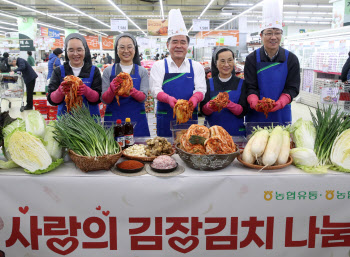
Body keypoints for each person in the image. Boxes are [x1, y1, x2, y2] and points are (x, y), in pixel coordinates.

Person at [150, 9, 206, 137]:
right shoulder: (159, 66)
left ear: (188, 46)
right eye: (175, 41)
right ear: (167, 44)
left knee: (191, 148)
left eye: (183, 42)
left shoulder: (196, 67)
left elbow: (201, 89)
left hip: (189, 118)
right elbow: (155, 90)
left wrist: (195, 99)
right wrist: (168, 98)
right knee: (165, 151)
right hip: (165, 118)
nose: (179, 46)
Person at [244, 27, 300, 124]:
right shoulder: (251, 59)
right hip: (256, 114)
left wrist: (281, 102)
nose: (273, 37)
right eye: (269, 33)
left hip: (281, 114)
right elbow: (250, 86)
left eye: (277, 33)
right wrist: (253, 100)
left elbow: (292, 87)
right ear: (261, 36)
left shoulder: (291, 59)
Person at [102, 33, 150, 137]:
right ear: (117, 50)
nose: (126, 51)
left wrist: (130, 90)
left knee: (137, 151)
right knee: (114, 151)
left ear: (135, 49)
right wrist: (112, 89)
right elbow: (105, 100)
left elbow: (143, 98)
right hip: (114, 119)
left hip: (137, 119)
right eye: (122, 47)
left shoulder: (142, 71)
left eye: (129, 47)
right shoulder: (108, 71)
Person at [47, 33, 102, 117]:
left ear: (85, 50)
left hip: (90, 123)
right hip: (65, 122)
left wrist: (86, 91)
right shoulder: (59, 71)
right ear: (67, 51)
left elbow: (98, 98)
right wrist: (60, 91)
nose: (75, 54)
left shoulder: (94, 70)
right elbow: (52, 100)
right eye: (71, 50)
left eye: (79, 50)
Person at [200, 47, 248, 136]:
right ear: (215, 63)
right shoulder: (208, 83)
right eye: (222, 61)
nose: (226, 65)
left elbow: (243, 111)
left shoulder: (242, 83)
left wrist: (229, 104)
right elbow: (203, 111)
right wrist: (210, 106)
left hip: (236, 134)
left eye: (230, 60)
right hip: (212, 135)